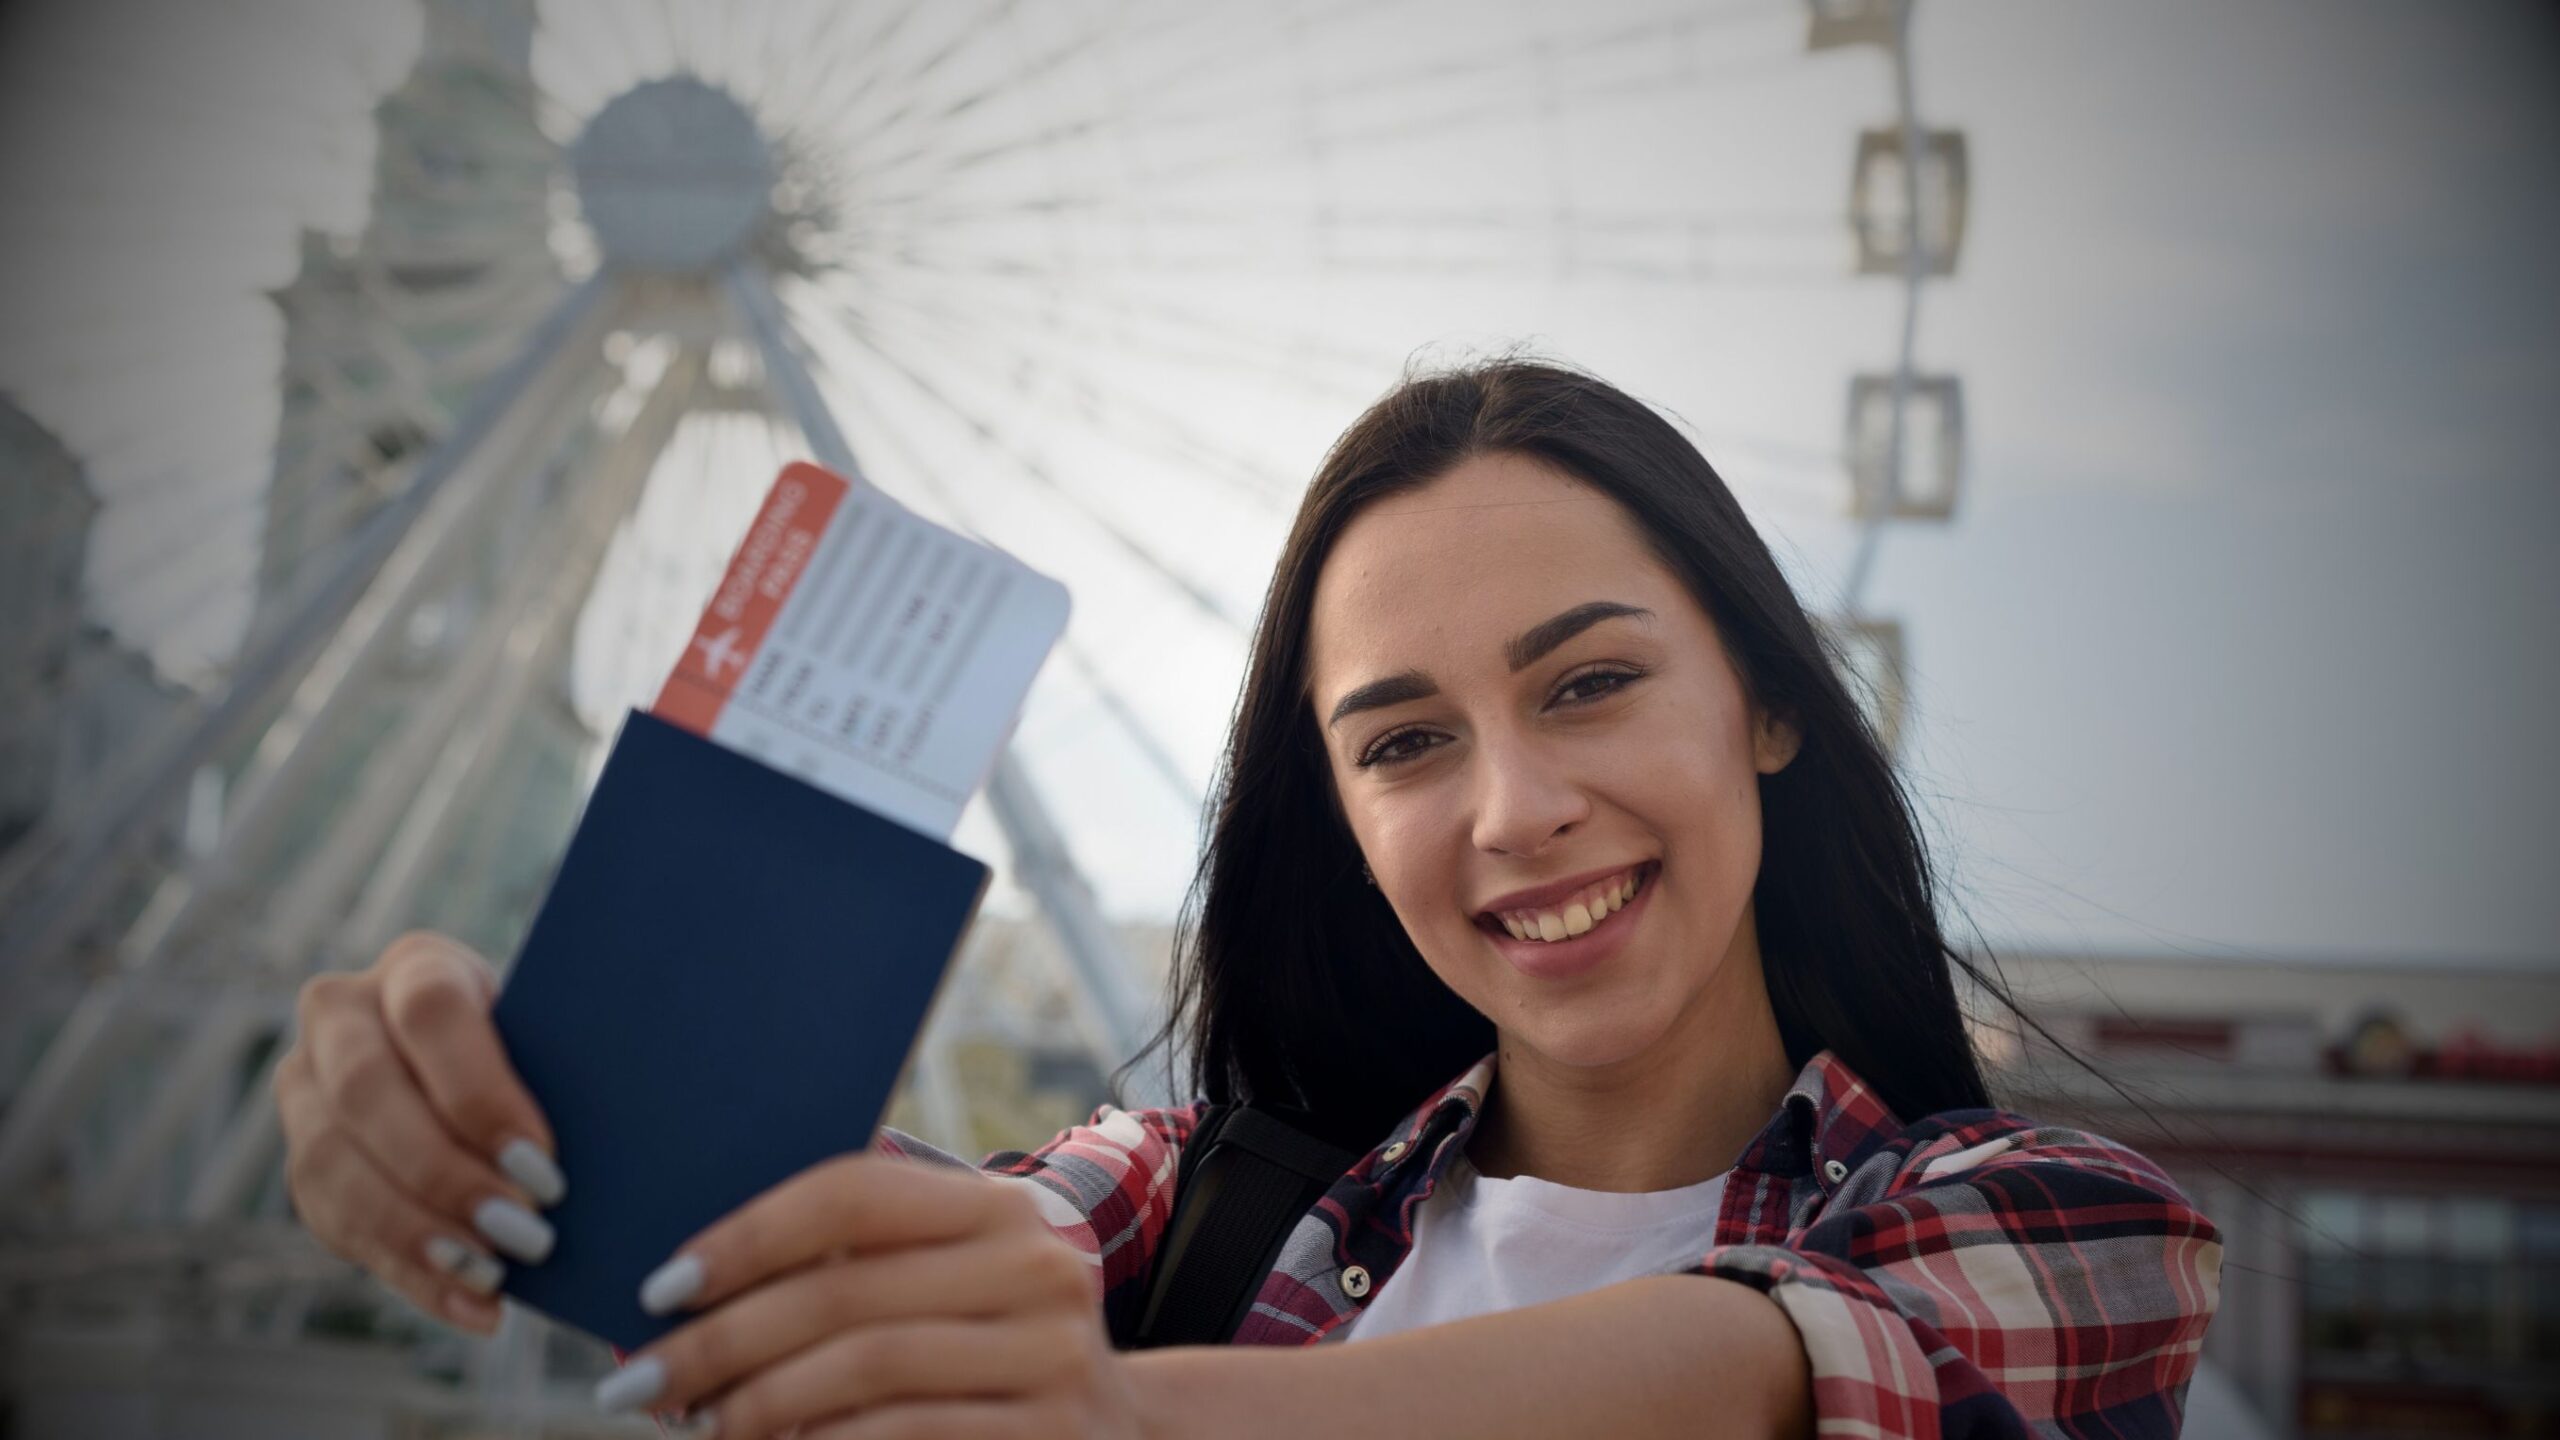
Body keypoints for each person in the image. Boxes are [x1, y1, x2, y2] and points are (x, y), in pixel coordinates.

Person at [275, 359, 2223, 1439]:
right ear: (1343, 820)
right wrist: (496, 1090)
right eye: (1401, 743)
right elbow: (844, 1247)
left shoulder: (2050, 1231)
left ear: (1771, 705)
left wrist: (1126, 1427)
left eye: (1589, 682)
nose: (1515, 808)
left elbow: (1757, 1367)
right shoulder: (1176, 1201)